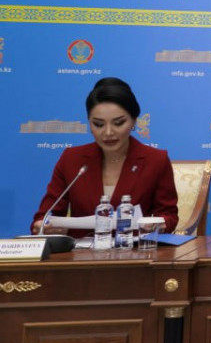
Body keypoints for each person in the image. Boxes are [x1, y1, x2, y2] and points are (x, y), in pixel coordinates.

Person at [31, 77, 179, 236]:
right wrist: (44, 226)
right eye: (98, 124)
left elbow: (169, 216)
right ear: (89, 123)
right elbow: (44, 217)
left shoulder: (155, 160)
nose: (108, 132)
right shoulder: (71, 159)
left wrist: (157, 224)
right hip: (80, 250)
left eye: (118, 123)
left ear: (134, 121)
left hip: (134, 249)